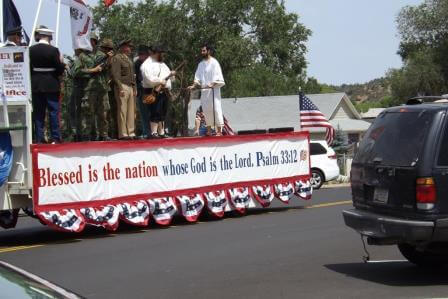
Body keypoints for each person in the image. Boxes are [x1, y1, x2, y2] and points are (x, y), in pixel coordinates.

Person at [29, 26, 65, 143]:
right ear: (49, 37)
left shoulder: (30, 50)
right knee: (53, 112)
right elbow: (59, 70)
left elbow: (29, 69)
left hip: (36, 85)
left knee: (39, 113)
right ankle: (55, 138)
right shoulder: (54, 50)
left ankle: (39, 138)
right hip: (51, 85)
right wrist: (62, 63)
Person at [188, 44, 225, 136]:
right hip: (204, 91)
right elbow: (197, 78)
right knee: (206, 110)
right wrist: (193, 85)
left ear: (209, 51)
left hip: (213, 91)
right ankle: (209, 131)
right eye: (201, 51)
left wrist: (212, 84)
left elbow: (219, 78)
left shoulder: (214, 63)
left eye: (204, 51)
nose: (202, 52)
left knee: (216, 109)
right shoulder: (201, 64)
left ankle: (219, 131)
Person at [141, 45, 175, 138]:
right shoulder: (147, 64)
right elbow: (148, 79)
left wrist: (171, 75)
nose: (162, 55)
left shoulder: (163, 64)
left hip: (164, 91)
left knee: (162, 112)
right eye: (161, 53)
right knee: (155, 111)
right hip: (153, 91)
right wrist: (160, 81)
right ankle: (154, 132)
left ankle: (161, 132)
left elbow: (170, 79)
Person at [86, 38, 115, 141]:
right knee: (91, 112)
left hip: (103, 87)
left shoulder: (107, 57)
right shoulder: (97, 55)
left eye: (110, 49)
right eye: (107, 49)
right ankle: (91, 134)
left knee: (104, 112)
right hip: (93, 87)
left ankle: (103, 134)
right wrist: (106, 56)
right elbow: (95, 63)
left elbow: (108, 68)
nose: (109, 51)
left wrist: (109, 59)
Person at [71, 48, 101, 141]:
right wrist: (93, 70)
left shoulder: (91, 57)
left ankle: (91, 134)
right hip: (81, 89)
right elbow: (76, 72)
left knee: (91, 111)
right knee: (82, 112)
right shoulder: (81, 57)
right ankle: (82, 135)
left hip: (90, 89)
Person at [110, 39, 136, 140]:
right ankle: (123, 133)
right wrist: (120, 88)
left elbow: (132, 76)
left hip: (130, 86)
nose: (130, 48)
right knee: (122, 110)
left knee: (130, 111)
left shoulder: (129, 59)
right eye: (128, 46)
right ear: (123, 47)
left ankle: (131, 132)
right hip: (122, 86)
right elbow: (116, 74)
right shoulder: (117, 58)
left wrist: (134, 88)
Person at [134, 45, 151, 138]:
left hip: (152, 91)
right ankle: (146, 132)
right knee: (144, 113)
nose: (140, 56)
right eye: (139, 54)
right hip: (142, 92)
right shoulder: (137, 64)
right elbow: (137, 79)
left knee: (153, 113)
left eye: (142, 54)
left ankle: (155, 132)